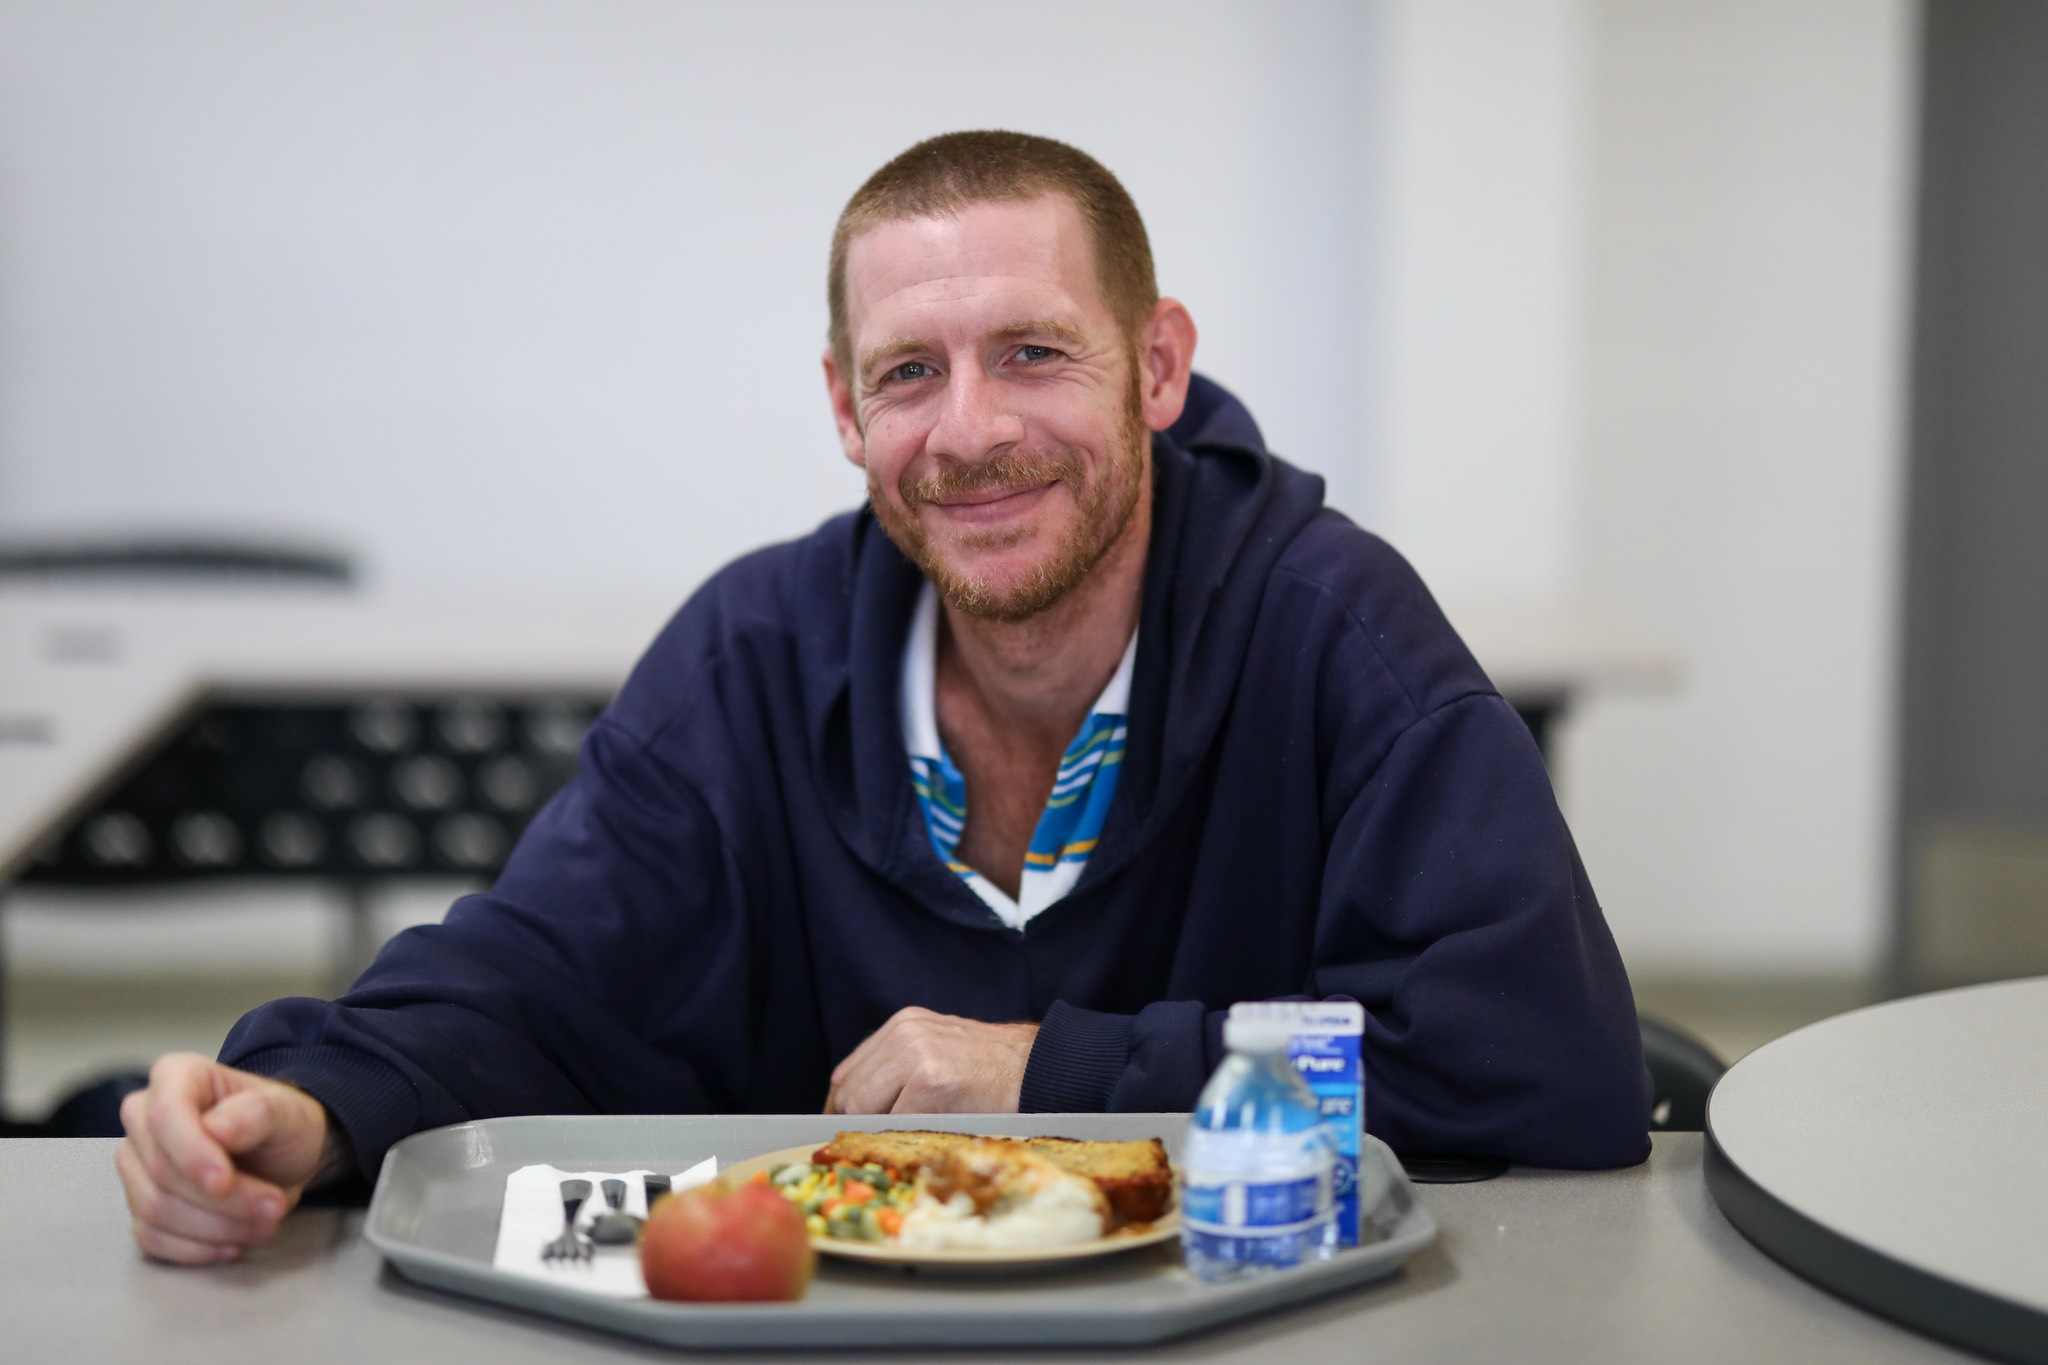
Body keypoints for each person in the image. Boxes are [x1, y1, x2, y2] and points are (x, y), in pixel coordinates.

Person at [116, 131, 1651, 1265]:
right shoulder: (755, 651)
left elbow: (1538, 1068)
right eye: (911, 373)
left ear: (1159, 365)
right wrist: (308, 1102)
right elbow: (538, 980)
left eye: (1035, 353)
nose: (970, 431)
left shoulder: (1337, 634)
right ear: (846, 409)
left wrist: (1046, 1067)